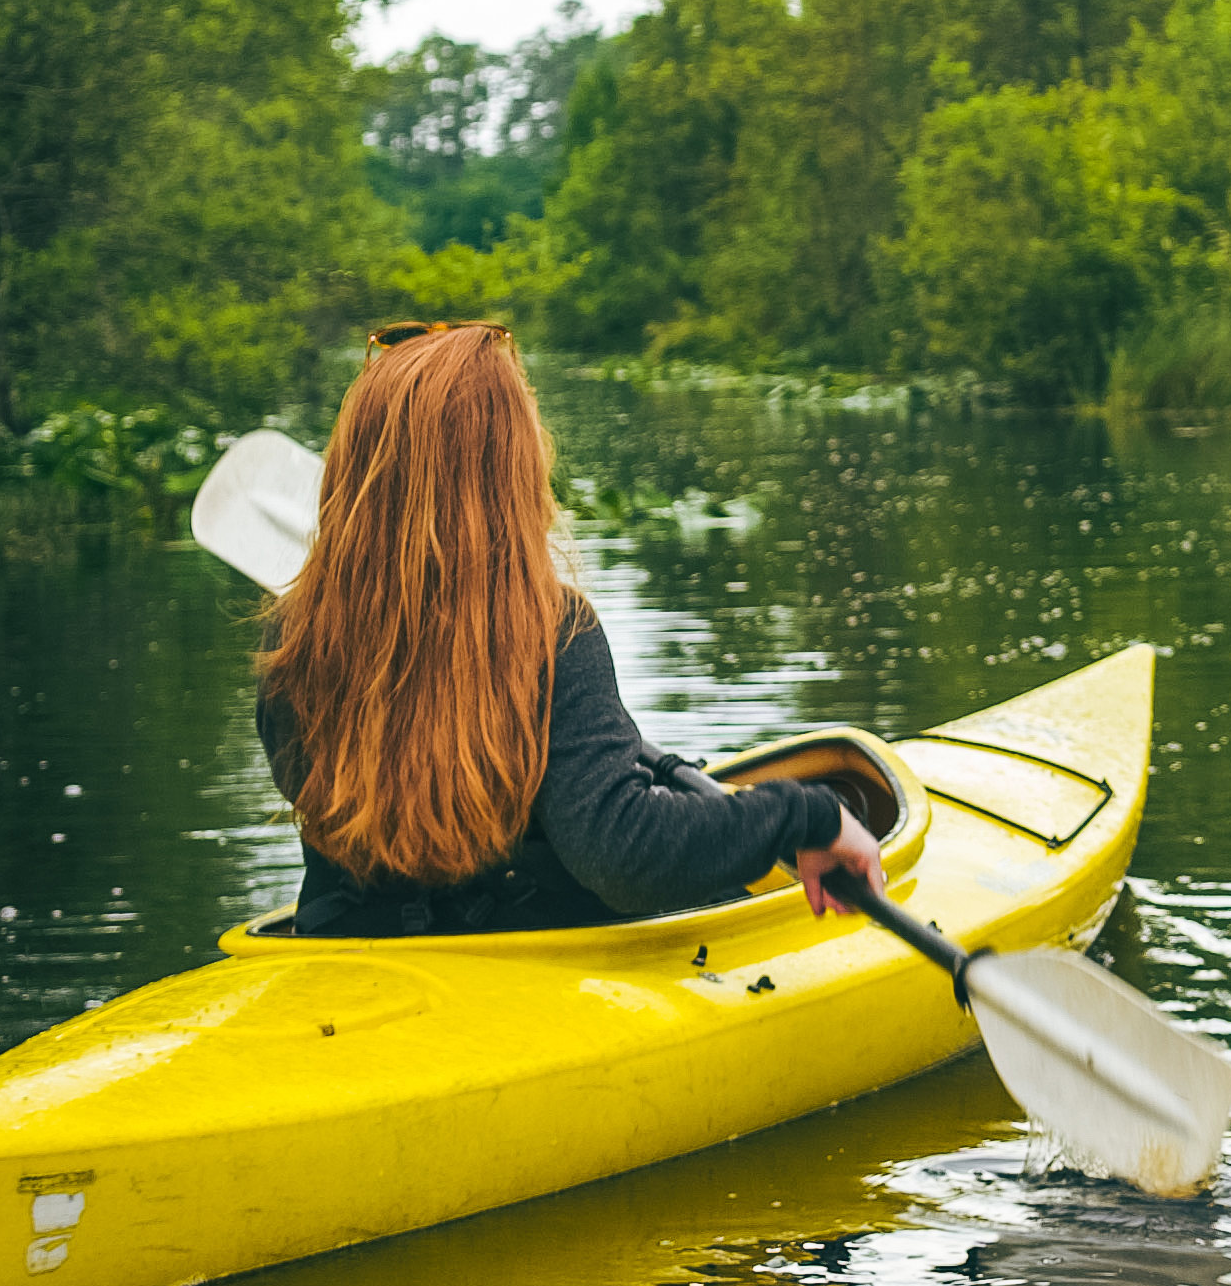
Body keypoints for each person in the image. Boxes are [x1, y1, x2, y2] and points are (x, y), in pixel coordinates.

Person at [250, 322, 882, 938]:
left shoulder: (292, 637)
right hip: (526, 980)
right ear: (507, 474)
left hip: (343, 963)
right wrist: (808, 815)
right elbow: (621, 857)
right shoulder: (554, 633)